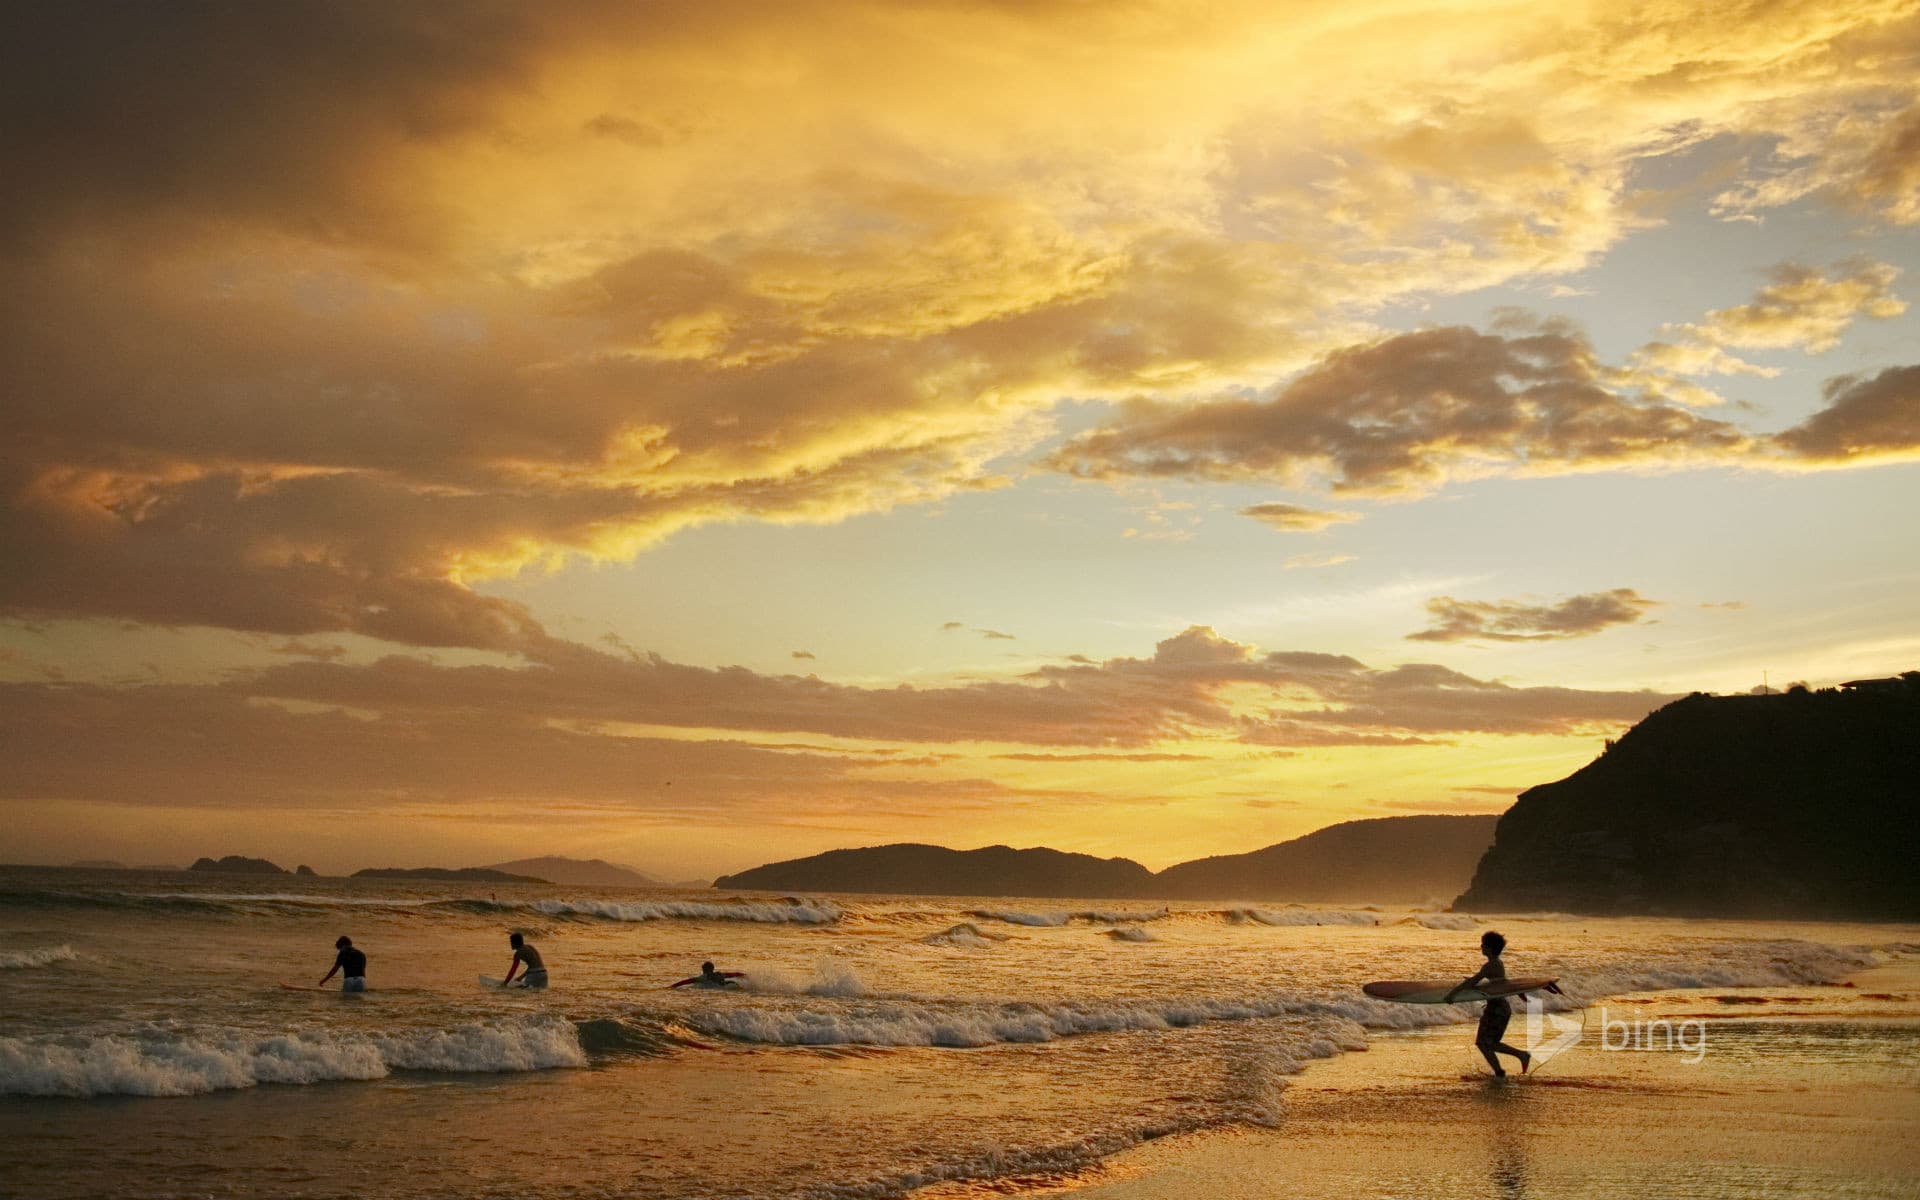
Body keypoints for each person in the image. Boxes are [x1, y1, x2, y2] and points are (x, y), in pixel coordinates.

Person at [1446, 930, 1530, 1076]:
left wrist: (1452, 994)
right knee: (1486, 1043)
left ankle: (1514, 1060)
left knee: (1486, 1043)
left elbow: (1474, 981)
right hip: (1497, 1008)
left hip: (1497, 1010)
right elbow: (1501, 983)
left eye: (1483, 944)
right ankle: (1502, 1069)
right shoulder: (1497, 963)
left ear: (1490, 948)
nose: (1481, 946)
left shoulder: (1490, 965)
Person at [670, 961, 744, 989]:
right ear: (712, 969)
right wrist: (745, 975)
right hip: (728, 984)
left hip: (717, 988)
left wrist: (673, 986)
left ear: (704, 969)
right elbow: (735, 974)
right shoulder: (720, 974)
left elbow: (686, 981)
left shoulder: (703, 977)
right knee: (732, 983)